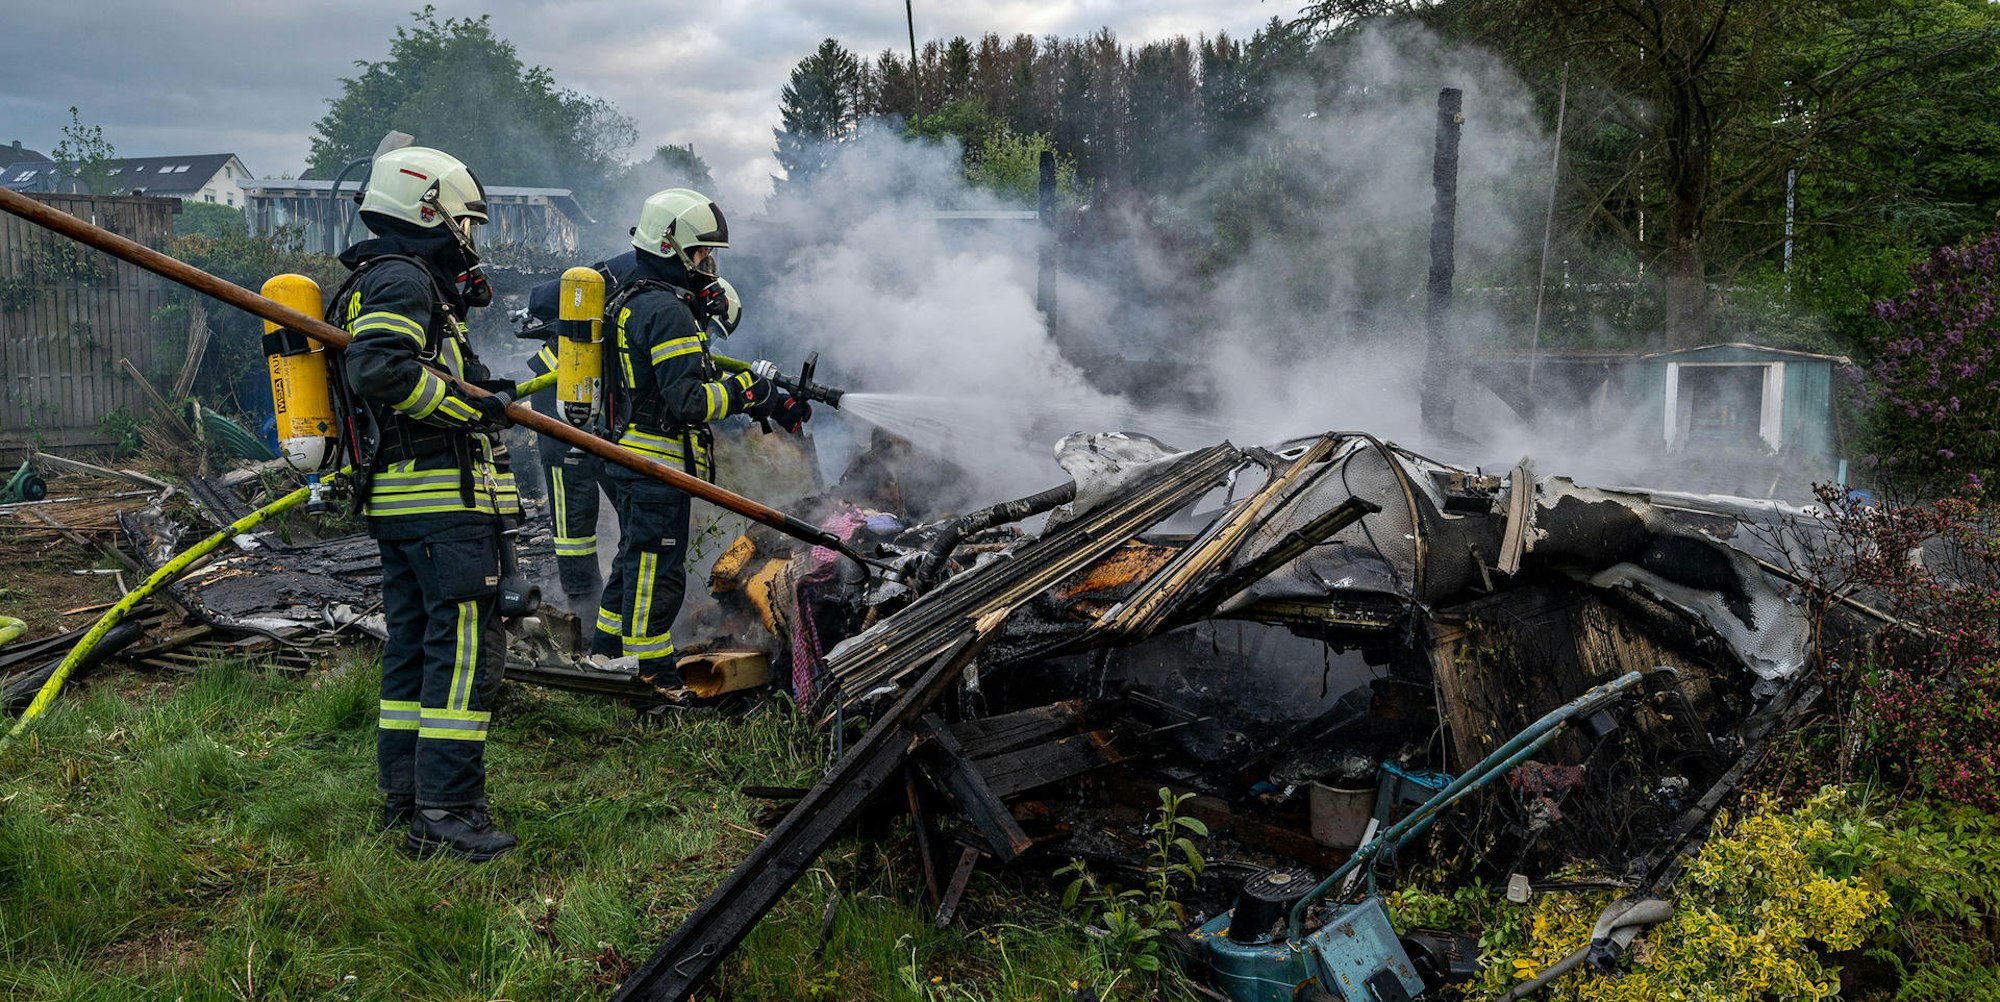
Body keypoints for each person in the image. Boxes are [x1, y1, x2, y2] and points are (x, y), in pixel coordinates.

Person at [335, 146, 520, 861]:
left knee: (412, 650)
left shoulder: (384, 279)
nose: (467, 236)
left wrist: (482, 393)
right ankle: (447, 812)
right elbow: (380, 369)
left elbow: (410, 372)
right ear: (427, 209)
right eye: (463, 221)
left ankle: (405, 798)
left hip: (406, 503)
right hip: (443, 504)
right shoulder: (404, 278)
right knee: (461, 653)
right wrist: (471, 411)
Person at [593, 188, 811, 701]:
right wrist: (744, 393)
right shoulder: (666, 310)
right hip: (654, 465)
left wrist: (760, 397)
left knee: (632, 561)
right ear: (671, 246)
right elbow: (688, 401)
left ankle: (604, 652)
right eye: (701, 252)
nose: (707, 263)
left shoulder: (635, 299)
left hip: (632, 459)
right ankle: (651, 674)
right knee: (657, 571)